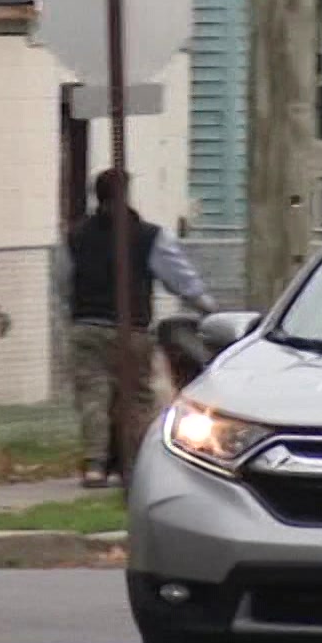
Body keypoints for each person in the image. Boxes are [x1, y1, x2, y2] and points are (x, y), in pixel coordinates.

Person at [64, 167, 217, 487]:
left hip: (87, 326)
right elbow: (181, 279)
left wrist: (74, 310)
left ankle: (95, 464)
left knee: (93, 395)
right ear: (127, 193)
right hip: (131, 329)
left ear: (97, 195)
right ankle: (133, 464)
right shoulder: (149, 236)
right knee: (135, 397)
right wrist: (207, 308)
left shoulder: (76, 236)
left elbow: (62, 281)